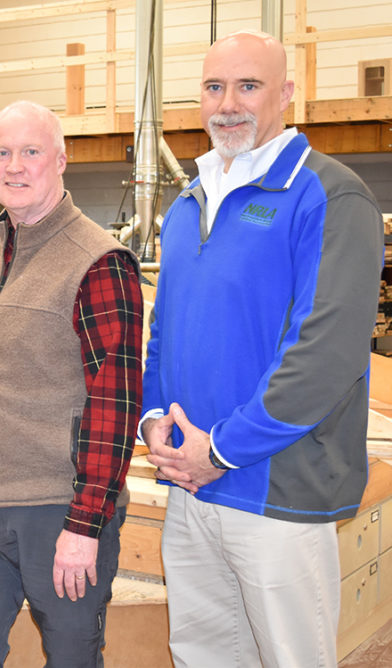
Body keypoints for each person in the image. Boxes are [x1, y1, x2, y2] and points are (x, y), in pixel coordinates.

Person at [142, 31, 385, 667]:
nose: (229, 103)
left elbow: (324, 353)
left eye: (248, 86)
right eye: (214, 87)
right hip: (191, 485)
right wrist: (153, 420)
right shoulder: (187, 202)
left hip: (276, 491)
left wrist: (221, 450)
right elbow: (165, 330)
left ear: (286, 94)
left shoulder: (329, 196)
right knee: (203, 654)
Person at [0, 100, 144, 668]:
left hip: (56, 511)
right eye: (1, 152)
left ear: (61, 160)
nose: (14, 166)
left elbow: (115, 401)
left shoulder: (98, 260)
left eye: (30, 152)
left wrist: (86, 522)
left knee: (73, 658)